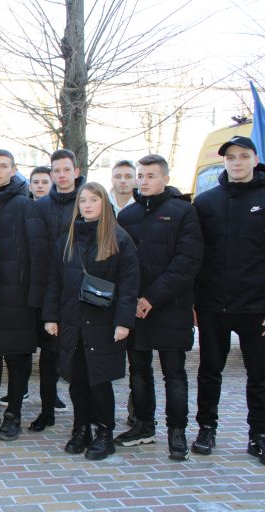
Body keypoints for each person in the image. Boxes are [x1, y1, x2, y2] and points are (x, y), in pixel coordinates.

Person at [114, 154, 202, 461]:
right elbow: (121, 263)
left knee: (174, 375)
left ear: (165, 177)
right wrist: (132, 300)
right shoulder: (127, 216)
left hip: (170, 308)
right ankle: (143, 425)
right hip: (135, 310)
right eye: (141, 175)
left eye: (151, 175)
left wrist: (151, 298)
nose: (144, 181)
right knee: (138, 372)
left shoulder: (183, 212)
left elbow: (187, 261)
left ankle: (177, 431)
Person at [43, 182, 139, 460]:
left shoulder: (119, 239)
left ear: (104, 203)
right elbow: (54, 281)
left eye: (93, 200)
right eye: (82, 200)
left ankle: (104, 433)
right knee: (77, 382)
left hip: (103, 323)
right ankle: (81, 428)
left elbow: (129, 285)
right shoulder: (67, 239)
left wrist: (123, 322)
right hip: (72, 321)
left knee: (100, 382)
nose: (86, 205)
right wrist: (50, 316)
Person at [192, 135, 265, 465]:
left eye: (243, 156)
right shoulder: (206, 203)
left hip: (256, 306)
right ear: (224, 162)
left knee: (260, 375)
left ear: (254, 159)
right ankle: (206, 428)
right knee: (209, 371)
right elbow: (195, 255)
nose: (236, 162)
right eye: (230, 157)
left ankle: (259, 434)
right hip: (213, 305)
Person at [0, 149, 48, 440]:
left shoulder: (24, 204)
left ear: (14, 169)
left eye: (4, 166)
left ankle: (13, 414)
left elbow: (38, 254)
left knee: (16, 357)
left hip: (17, 295)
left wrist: (34, 297)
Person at [29, 149, 85, 432]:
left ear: (76, 171)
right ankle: (47, 409)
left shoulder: (89, 202)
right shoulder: (39, 207)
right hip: (47, 292)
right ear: (51, 175)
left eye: (66, 169)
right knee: (48, 356)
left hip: (80, 294)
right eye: (56, 171)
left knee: (79, 357)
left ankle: (84, 418)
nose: (61, 175)